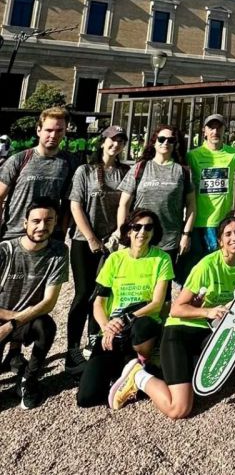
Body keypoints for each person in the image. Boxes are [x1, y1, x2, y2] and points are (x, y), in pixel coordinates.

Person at [109, 215, 235, 418]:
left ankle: (187, 370)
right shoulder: (206, 266)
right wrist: (208, 311)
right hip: (180, 332)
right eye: (228, 234)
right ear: (220, 240)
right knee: (179, 410)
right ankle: (137, 376)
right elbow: (176, 309)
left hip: (209, 331)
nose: (234, 238)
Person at [77, 209, 173, 408]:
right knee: (86, 398)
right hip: (114, 329)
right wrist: (107, 327)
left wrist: (126, 319)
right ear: (128, 231)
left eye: (148, 227)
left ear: (154, 232)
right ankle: (131, 370)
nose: (142, 232)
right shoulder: (115, 259)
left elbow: (157, 303)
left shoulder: (162, 259)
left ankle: (141, 361)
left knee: (142, 328)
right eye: (136, 227)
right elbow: (98, 303)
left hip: (142, 322)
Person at [66, 125, 130, 375]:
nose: (116, 145)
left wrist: (119, 236)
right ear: (102, 142)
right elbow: (76, 205)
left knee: (102, 294)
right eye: (112, 140)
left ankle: (94, 341)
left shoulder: (125, 172)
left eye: (120, 141)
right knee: (83, 293)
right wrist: (91, 238)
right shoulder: (86, 170)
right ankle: (72, 348)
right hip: (86, 241)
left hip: (112, 242)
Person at [0, 199, 67, 409]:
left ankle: (29, 380)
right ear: (25, 223)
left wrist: (12, 324)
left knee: (46, 326)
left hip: (24, 322)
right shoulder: (5, 250)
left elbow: (49, 302)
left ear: (55, 223)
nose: (41, 226)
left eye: (48, 221)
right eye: (36, 221)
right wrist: (9, 319)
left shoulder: (58, 252)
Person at [117, 125, 196, 283]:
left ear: (175, 144)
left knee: (162, 289)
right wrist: (123, 234)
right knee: (136, 284)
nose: (165, 142)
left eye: (171, 140)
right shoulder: (140, 168)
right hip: (140, 235)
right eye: (161, 139)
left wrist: (186, 235)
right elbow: (124, 204)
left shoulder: (183, 171)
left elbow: (192, 206)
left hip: (169, 239)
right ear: (154, 142)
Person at [0, 107, 75, 241]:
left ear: (65, 132)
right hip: (14, 235)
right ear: (38, 130)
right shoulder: (20, 159)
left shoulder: (70, 163)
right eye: (49, 130)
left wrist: (62, 232)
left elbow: (68, 204)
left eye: (59, 131)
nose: (53, 135)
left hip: (50, 237)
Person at [187, 114, 235, 257]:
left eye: (219, 128)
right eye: (211, 128)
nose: (215, 132)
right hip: (198, 221)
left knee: (219, 263)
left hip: (222, 223)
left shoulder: (234, 154)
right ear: (204, 131)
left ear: (225, 130)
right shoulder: (193, 155)